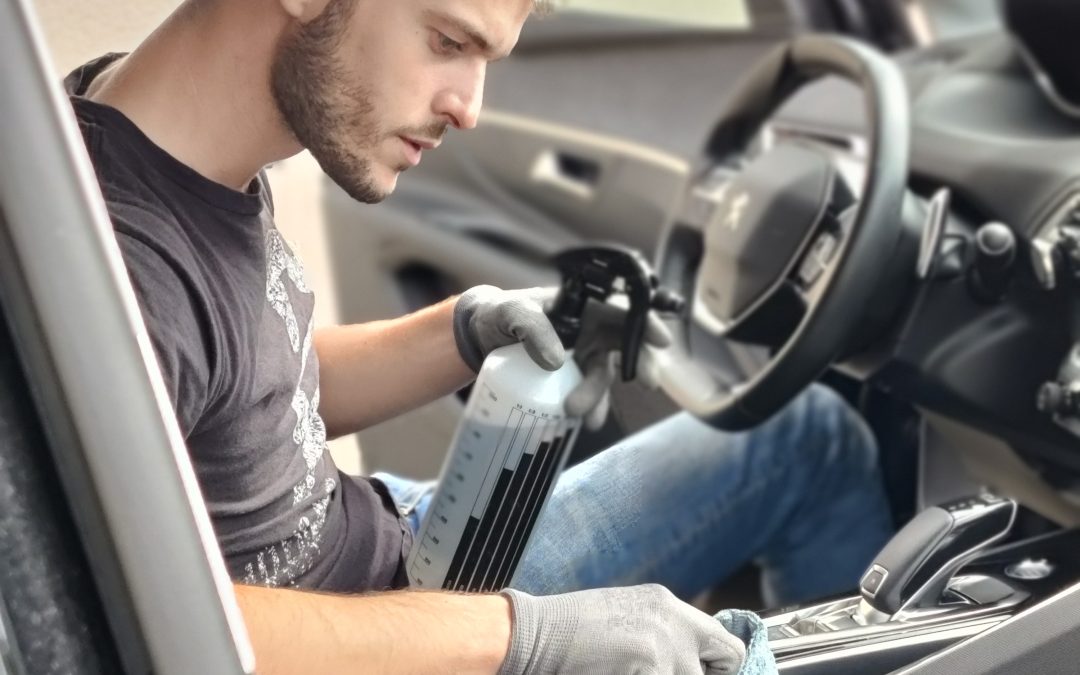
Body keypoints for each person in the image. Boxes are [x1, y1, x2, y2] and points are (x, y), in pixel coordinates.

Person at [66, 0, 893, 671]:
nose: (469, 106)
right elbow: (158, 621)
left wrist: (462, 328)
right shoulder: (123, 268)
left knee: (798, 436)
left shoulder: (155, 142)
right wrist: (526, 639)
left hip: (395, 543)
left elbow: (241, 391)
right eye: (447, 40)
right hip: (381, 626)